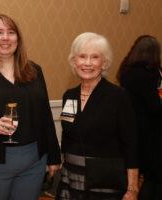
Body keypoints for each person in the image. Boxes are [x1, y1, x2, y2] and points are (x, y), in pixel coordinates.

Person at [0, 14, 61, 200]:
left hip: (33, 163)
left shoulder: (34, 71)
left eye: (11, 32)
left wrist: (54, 156)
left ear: (18, 39)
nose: (5, 37)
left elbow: (45, 116)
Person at [56, 32, 139, 200]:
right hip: (71, 177)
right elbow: (67, 136)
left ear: (104, 63)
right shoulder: (69, 95)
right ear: (74, 61)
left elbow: (132, 145)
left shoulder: (118, 96)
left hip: (104, 182)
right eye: (82, 56)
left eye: (94, 57)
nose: (87, 63)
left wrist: (132, 188)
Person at [117, 35, 162, 200]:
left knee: (133, 173)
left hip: (128, 128)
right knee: (153, 176)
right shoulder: (149, 76)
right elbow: (155, 107)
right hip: (147, 131)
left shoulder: (125, 71)